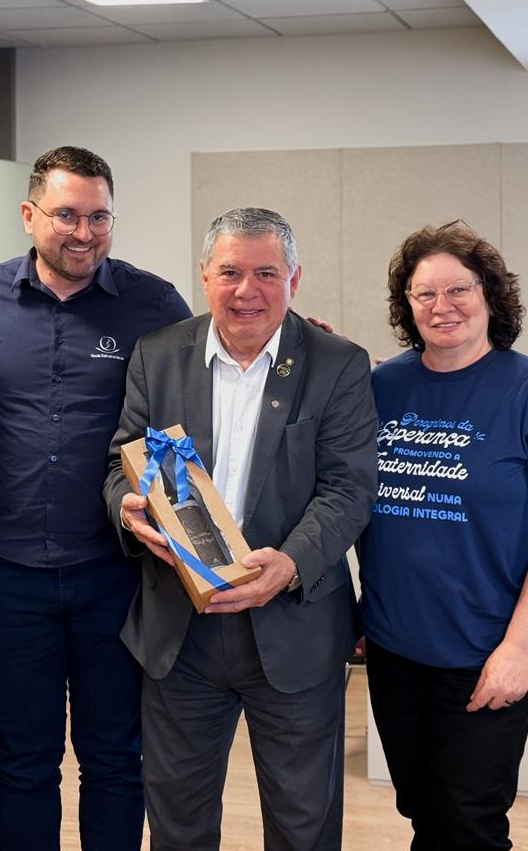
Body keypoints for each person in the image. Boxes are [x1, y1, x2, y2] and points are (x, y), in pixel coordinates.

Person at [105, 207, 378, 851]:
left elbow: (349, 488)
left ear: (294, 279)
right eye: (230, 272)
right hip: (180, 634)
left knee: (304, 828)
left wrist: (290, 563)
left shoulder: (337, 363)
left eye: (266, 273)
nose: (246, 290)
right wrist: (127, 507)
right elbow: (121, 460)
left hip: (294, 630)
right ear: (204, 275)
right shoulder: (157, 354)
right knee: (178, 826)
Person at [0, 146, 192, 850]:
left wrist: (296, 337)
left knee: (114, 756)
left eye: (99, 217)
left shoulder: (153, 302)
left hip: (113, 572)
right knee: (23, 761)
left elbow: (209, 379)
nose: (84, 232)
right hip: (7, 574)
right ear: (29, 215)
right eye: (66, 215)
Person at [359, 222, 528, 850]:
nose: (443, 306)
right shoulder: (381, 387)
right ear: (407, 305)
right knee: (421, 809)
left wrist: (519, 651)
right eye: (424, 293)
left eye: (458, 289)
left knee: (470, 823)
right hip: (393, 645)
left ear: (490, 294)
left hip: (486, 649)